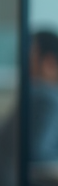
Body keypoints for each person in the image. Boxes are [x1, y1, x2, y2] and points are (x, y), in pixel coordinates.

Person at [28, 29, 58, 163]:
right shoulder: (46, 97)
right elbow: (39, 155)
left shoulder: (42, 97)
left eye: (32, 54)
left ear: (49, 62)